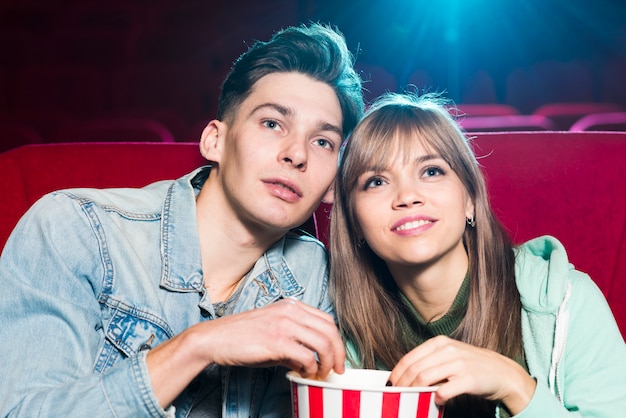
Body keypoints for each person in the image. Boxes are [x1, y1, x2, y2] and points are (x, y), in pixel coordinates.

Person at [0, 23, 364, 417]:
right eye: (272, 123)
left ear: (332, 184)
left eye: (323, 141)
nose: (297, 154)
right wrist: (197, 346)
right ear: (215, 141)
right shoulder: (71, 228)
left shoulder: (317, 279)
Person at [329, 92, 626, 417]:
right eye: (376, 181)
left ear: (470, 198)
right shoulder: (338, 337)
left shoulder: (565, 301)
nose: (407, 196)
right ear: (354, 222)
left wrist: (514, 386)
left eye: (431, 171)